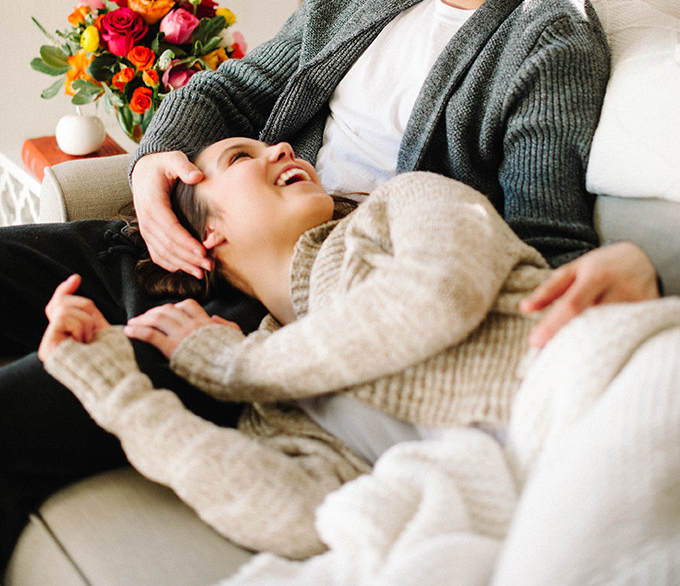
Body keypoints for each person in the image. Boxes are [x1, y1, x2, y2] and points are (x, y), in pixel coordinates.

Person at [0, 0, 661, 566]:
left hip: (282, 313)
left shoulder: (547, 48)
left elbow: (539, 241)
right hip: (185, 239)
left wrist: (630, 267)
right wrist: (148, 171)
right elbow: (228, 89)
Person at [39, 136, 554, 559]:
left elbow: (437, 297)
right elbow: (301, 515)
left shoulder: (408, 200)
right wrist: (117, 394)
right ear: (207, 233)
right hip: (537, 495)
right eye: (241, 157)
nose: (283, 148)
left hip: (584, 382)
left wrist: (228, 363)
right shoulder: (269, 397)